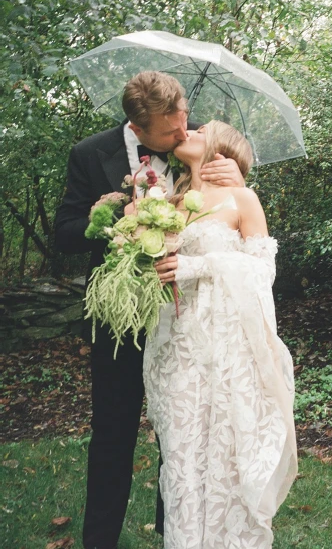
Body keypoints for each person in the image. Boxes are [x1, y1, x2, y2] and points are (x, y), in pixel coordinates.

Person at [54, 71, 245, 549]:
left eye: (184, 122)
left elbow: (234, 204)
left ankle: (174, 534)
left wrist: (236, 174)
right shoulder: (88, 154)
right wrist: (111, 214)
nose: (183, 134)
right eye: (170, 132)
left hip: (183, 318)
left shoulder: (196, 140)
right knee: (113, 435)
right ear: (136, 129)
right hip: (118, 321)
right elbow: (65, 233)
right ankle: (99, 540)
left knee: (179, 435)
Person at [143, 121, 297, 548]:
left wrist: (199, 266)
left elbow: (263, 271)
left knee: (227, 453)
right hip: (179, 342)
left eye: (202, 127)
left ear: (222, 145)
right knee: (182, 452)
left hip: (229, 346)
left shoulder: (242, 197)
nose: (189, 129)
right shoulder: (165, 201)